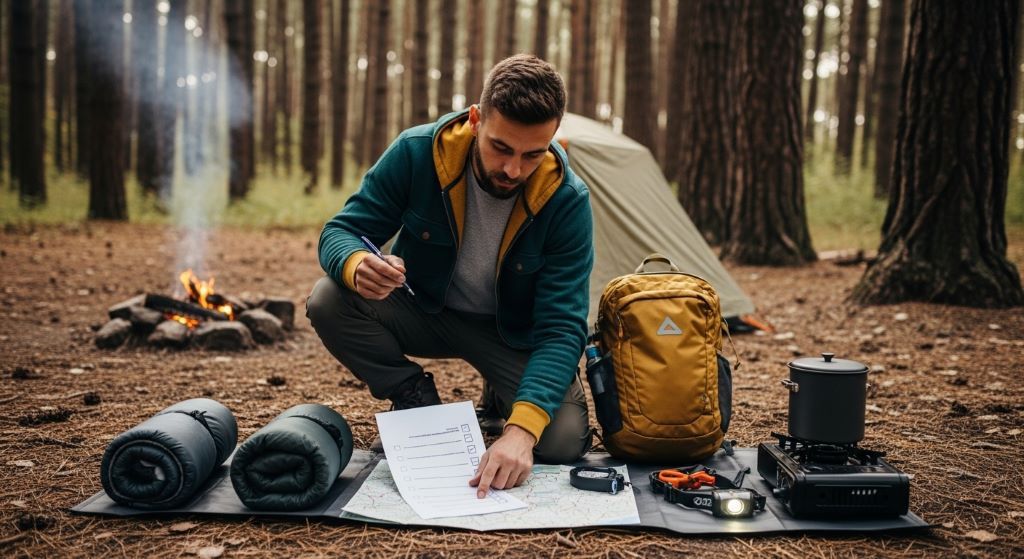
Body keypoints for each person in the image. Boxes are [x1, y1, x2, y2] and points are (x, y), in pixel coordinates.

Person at [306, 54, 593, 497]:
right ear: (476, 119)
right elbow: (342, 230)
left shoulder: (567, 200)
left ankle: (503, 397)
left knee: (561, 440)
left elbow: (562, 328)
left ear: (555, 137)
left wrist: (521, 432)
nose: (513, 170)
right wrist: (357, 263)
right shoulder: (419, 152)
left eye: (532, 154)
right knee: (329, 297)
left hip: (509, 334)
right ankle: (412, 396)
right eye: (501, 147)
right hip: (424, 310)